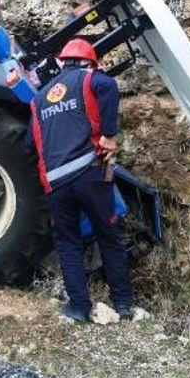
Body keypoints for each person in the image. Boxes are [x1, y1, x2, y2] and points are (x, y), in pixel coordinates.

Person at [27, 38, 133, 322]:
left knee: (68, 243)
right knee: (108, 236)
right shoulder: (92, 79)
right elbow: (108, 86)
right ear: (89, 63)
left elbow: (30, 143)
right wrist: (109, 134)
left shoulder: (38, 99)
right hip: (90, 173)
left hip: (55, 183)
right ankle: (122, 303)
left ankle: (78, 308)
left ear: (62, 62)